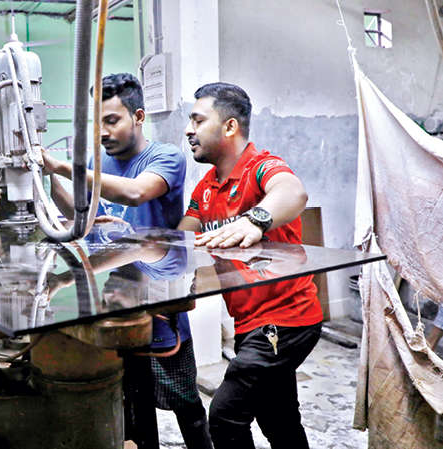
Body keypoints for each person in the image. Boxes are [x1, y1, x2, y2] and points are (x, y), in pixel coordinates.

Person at [43, 73, 212, 449]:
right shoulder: (97, 161)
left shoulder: (166, 156)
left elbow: (136, 193)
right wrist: (48, 178)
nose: (102, 132)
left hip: (161, 299)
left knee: (184, 399)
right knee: (134, 403)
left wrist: (65, 168)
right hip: (116, 299)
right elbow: (81, 217)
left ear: (138, 117)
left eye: (111, 120)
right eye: (97, 122)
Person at [178, 82, 322, 449]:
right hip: (249, 322)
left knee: (225, 416)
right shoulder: (205, 188)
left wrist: (255, 220)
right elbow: (181, 238)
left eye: (198, 120)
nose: (189, 130)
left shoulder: (261, 168)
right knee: (279, 416)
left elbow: (293, 192)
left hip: (285, 320)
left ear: (229, 126)